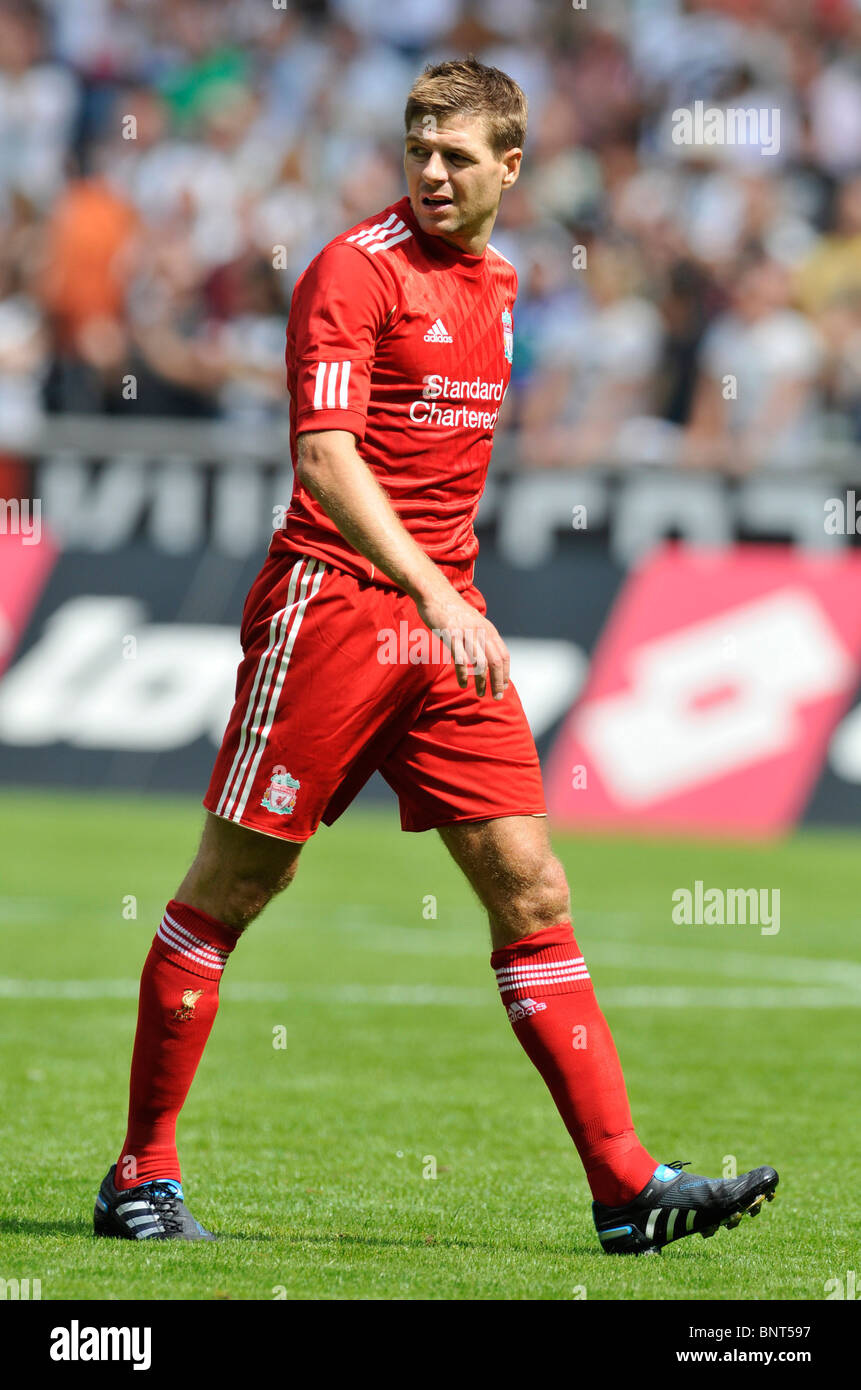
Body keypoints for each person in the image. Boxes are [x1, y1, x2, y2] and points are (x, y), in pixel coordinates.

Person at [93, 56, 778, 1255]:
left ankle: (625, 1187)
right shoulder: (352, 272)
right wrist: (431, 591)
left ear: (512, 166)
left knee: (532, 887)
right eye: (418, 151)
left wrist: (446, 597)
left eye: (458, 156)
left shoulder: (504, 285)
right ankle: (139, 1174)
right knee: (234, 888)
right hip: (335, 609)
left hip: (444, 622)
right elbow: (326, 459)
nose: (433, 173)